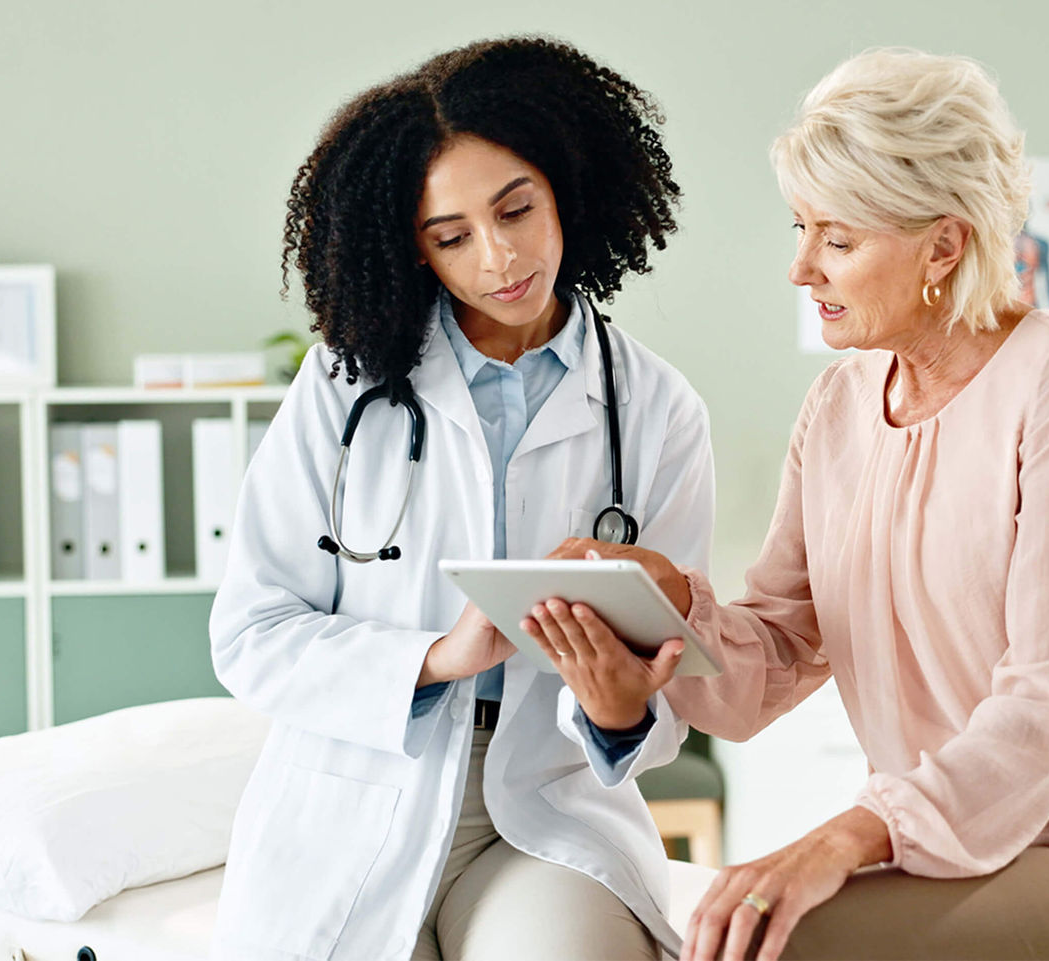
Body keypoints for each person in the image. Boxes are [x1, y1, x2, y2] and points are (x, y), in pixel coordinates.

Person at [528, 48, 1049, 961]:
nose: (801, 269)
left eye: (837, 239)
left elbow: (1045, 701)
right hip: (967, 863)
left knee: (782, 942)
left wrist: (841, 837)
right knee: (729, 932)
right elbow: (777, 656)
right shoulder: (837, 408)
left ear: (944, 245)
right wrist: (669, 607)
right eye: (799, 228)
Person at [208, 37, 714, 961]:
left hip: (547, 802)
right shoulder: (342, 388)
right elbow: (251, 634)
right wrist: (438, 656)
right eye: (452, 236)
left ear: (565, 187)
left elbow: (677, 663)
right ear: (413, 249)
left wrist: (617, 711)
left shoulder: (657, 409)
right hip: (361, 791)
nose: (501, 256)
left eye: (517, 208)